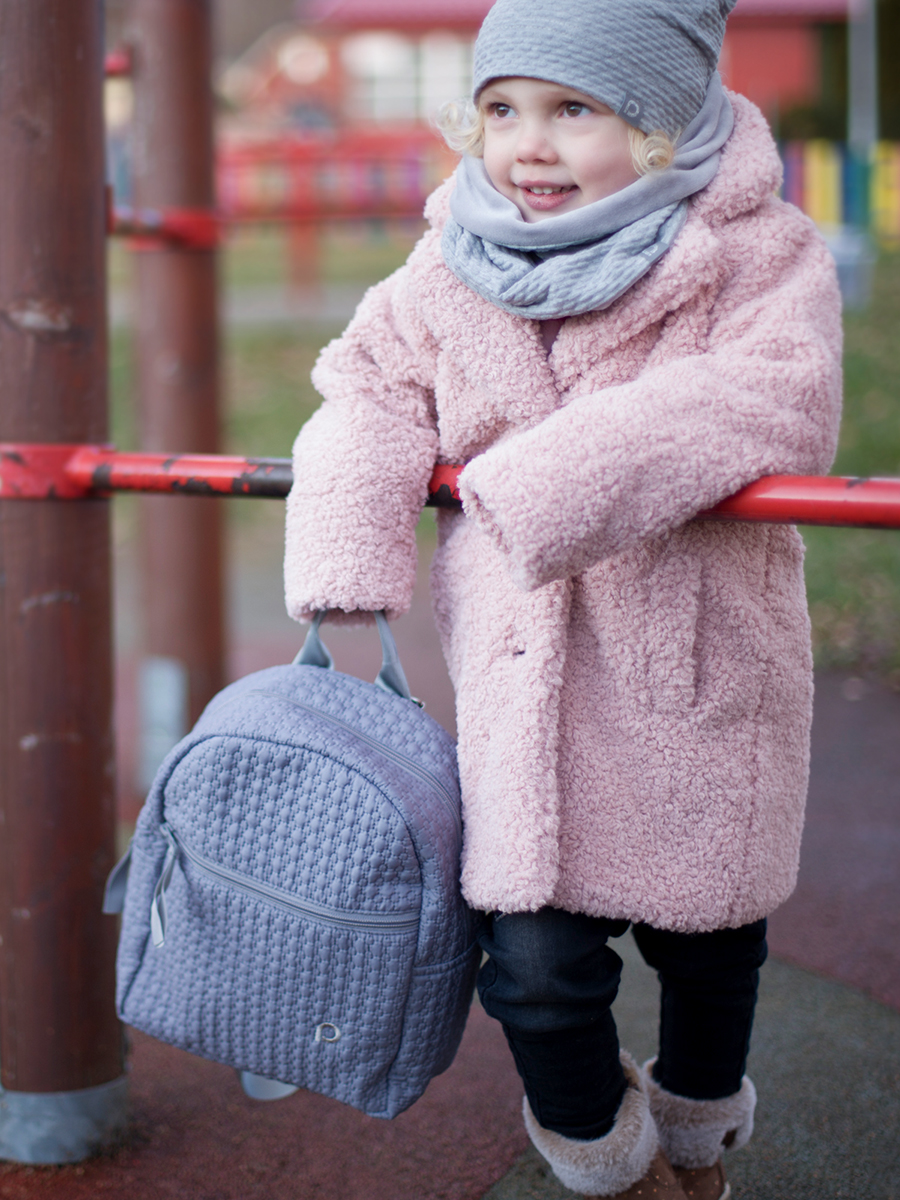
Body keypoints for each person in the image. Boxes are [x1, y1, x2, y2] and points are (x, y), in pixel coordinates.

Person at [283, 1, 843, 1196]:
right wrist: (348, 550)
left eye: (571, 111)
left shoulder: (752, 249)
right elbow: (368, 389)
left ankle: (698, 1135)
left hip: (693, 658)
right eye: (500, 111)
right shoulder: (450, 261)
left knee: (709, 942)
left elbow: (774, 396)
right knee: (533, 968)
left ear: (658, 127)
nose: (526, 147)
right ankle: (618, 1168)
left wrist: (549, 478)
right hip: (523, 682)